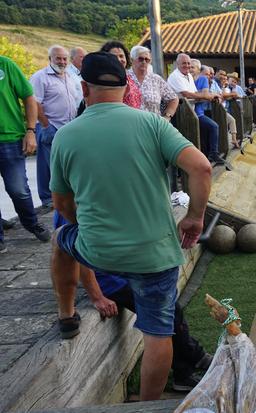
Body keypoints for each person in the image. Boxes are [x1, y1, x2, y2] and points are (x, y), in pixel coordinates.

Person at [49, 52, 212, 401]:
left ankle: (66, 313)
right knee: (158, 332)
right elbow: (201, 168)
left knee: (61, 240)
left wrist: (89, 225)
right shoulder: (152, 124)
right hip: (154, 255)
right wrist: (195, 217)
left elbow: (61, 204)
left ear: (83, 88)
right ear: (126, 87)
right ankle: (148, 406)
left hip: (98, 251)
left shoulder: (65, 136)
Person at [0, 56, 51, 253]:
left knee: (18, 189)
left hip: (10, 139)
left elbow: (29, 97)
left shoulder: (6, 65)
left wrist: (31, 130)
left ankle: (31, 223)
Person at [30, 45, 82, 208]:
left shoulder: (71, 77)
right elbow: (35, 102)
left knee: (64, 164)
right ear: (50, 59)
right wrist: (46, 125)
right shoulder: (40, 77)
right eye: (58, 58)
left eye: (64, 58)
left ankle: (65, 196)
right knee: (48, 164)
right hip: (50, 126)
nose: (61, 61)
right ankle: (47, 199)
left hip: (69, 127)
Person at [167, 54, 226, 165]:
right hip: (179, 114)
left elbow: (194, 93)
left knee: (206, 131)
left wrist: (208, 96)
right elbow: (186, 94)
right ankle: (187, 168)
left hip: (191, 113)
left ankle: (210, 155)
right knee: (189, 140)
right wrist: (207, 96)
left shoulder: (188, 76)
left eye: (189, 63)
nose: (187, 65)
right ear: (177, 64)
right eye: (184, 63)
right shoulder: (175, 76)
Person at [128, 45, 178, 118]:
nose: (144, 62)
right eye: (140, 59)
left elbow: (173, 98)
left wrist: (167, 117)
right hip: (130, 124)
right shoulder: (125, 77)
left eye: (147, 60)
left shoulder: (156, 79)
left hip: (153, 125)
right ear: (132, 60)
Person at [100, 41, 142, 109]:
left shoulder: (129, 77)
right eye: (114, 57)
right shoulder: (105, 81)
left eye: (121, 56)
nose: (119, 59)